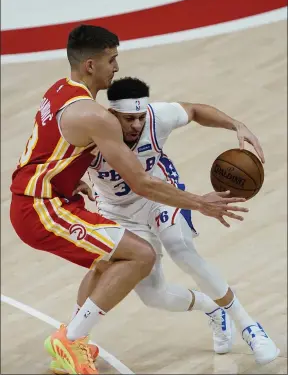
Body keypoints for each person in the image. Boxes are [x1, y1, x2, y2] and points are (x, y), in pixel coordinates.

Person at [9, 26, 248, 375]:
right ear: (90, 65)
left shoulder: (59, 91)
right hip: (40, 208)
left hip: (48, 195)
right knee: (142, 254)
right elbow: (140, 182)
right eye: (111, 59)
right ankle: (70, 340)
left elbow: (46, 150)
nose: (117, 67)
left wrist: (67, 181)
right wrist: (200, 202)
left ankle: (74, 341)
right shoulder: (95, 116)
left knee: (109, 261)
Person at [81, 77, 278, 367]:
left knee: (179, 247)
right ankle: (211, 307)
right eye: (128, 119)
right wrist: (69, 183)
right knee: (153, 296)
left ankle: (249, 326)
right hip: (116, 211)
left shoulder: (157, 117)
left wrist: (237, 125)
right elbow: (56, 163)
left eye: (139, 117)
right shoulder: (91, 132)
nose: (136, 125)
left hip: (160, 195)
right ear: (112, 114)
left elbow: (195, 111)